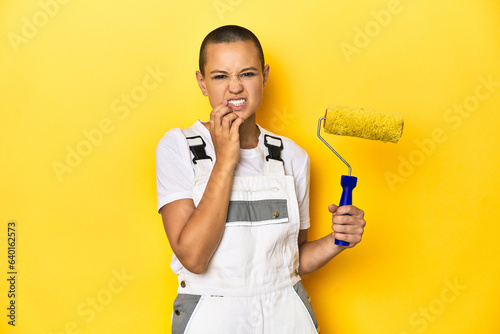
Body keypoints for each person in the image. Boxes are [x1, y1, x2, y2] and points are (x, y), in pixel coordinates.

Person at [155, 25, 366, 334]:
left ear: (264, 76)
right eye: (220, 76)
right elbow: (194, 258)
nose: (235, 88)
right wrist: (226, 158)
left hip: (287, 313)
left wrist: (338, 240)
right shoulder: (179, 147)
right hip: (211, 314)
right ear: (202, 82)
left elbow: (292, 260)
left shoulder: (291, 156)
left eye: (247, 74)